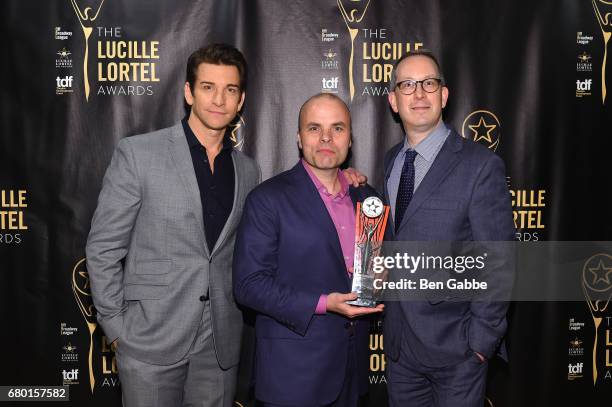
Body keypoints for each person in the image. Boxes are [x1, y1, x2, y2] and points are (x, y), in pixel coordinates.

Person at [86, 43, 260, 407]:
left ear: (240, 100)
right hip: (149, 337)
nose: (218, 99)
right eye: (207, 87)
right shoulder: (139, 153)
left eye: (230, 90)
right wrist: (117, 329)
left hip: (219, 344)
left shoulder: (247, 170)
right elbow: (103, 248)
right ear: (188, 92)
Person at [382, 50, 515, 407]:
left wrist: (481, 342)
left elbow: (500, 261)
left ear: (444, 95)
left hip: (456, 350)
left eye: (429, 83)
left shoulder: (481, 166)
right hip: (400, 350)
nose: (419, 94)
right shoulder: (391, 161)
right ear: (394, 101)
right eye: (407, 86)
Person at [233, 93, 384, 407]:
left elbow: (380, 267)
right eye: (314, 128)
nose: (326, 137)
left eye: (337, 128)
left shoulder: (367, 198)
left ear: (350, 139)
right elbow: (248, 286)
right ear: (299, 139)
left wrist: (383, 274)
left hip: (351, 373)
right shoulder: (268, 199)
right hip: (293, 375)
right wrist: (324, 303)